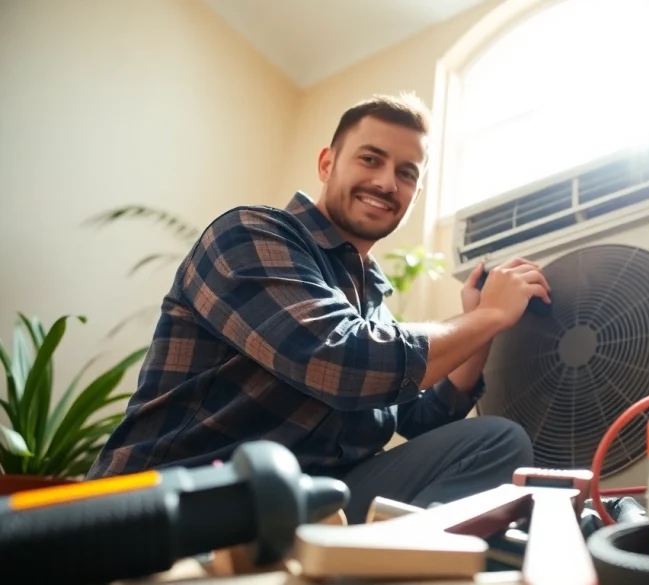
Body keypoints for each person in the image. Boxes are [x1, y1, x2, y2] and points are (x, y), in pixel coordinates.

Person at [87, 93, 551, 523]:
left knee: (495, 442)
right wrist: (488, 315)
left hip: (308, 505)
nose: (387, 182)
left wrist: (481, 328)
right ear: (327, 163)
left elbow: (424, 418)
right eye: (371, 159)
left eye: (407, 173)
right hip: (178, 498)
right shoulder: (250, 233)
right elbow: (343, 362)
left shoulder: (374, 307)